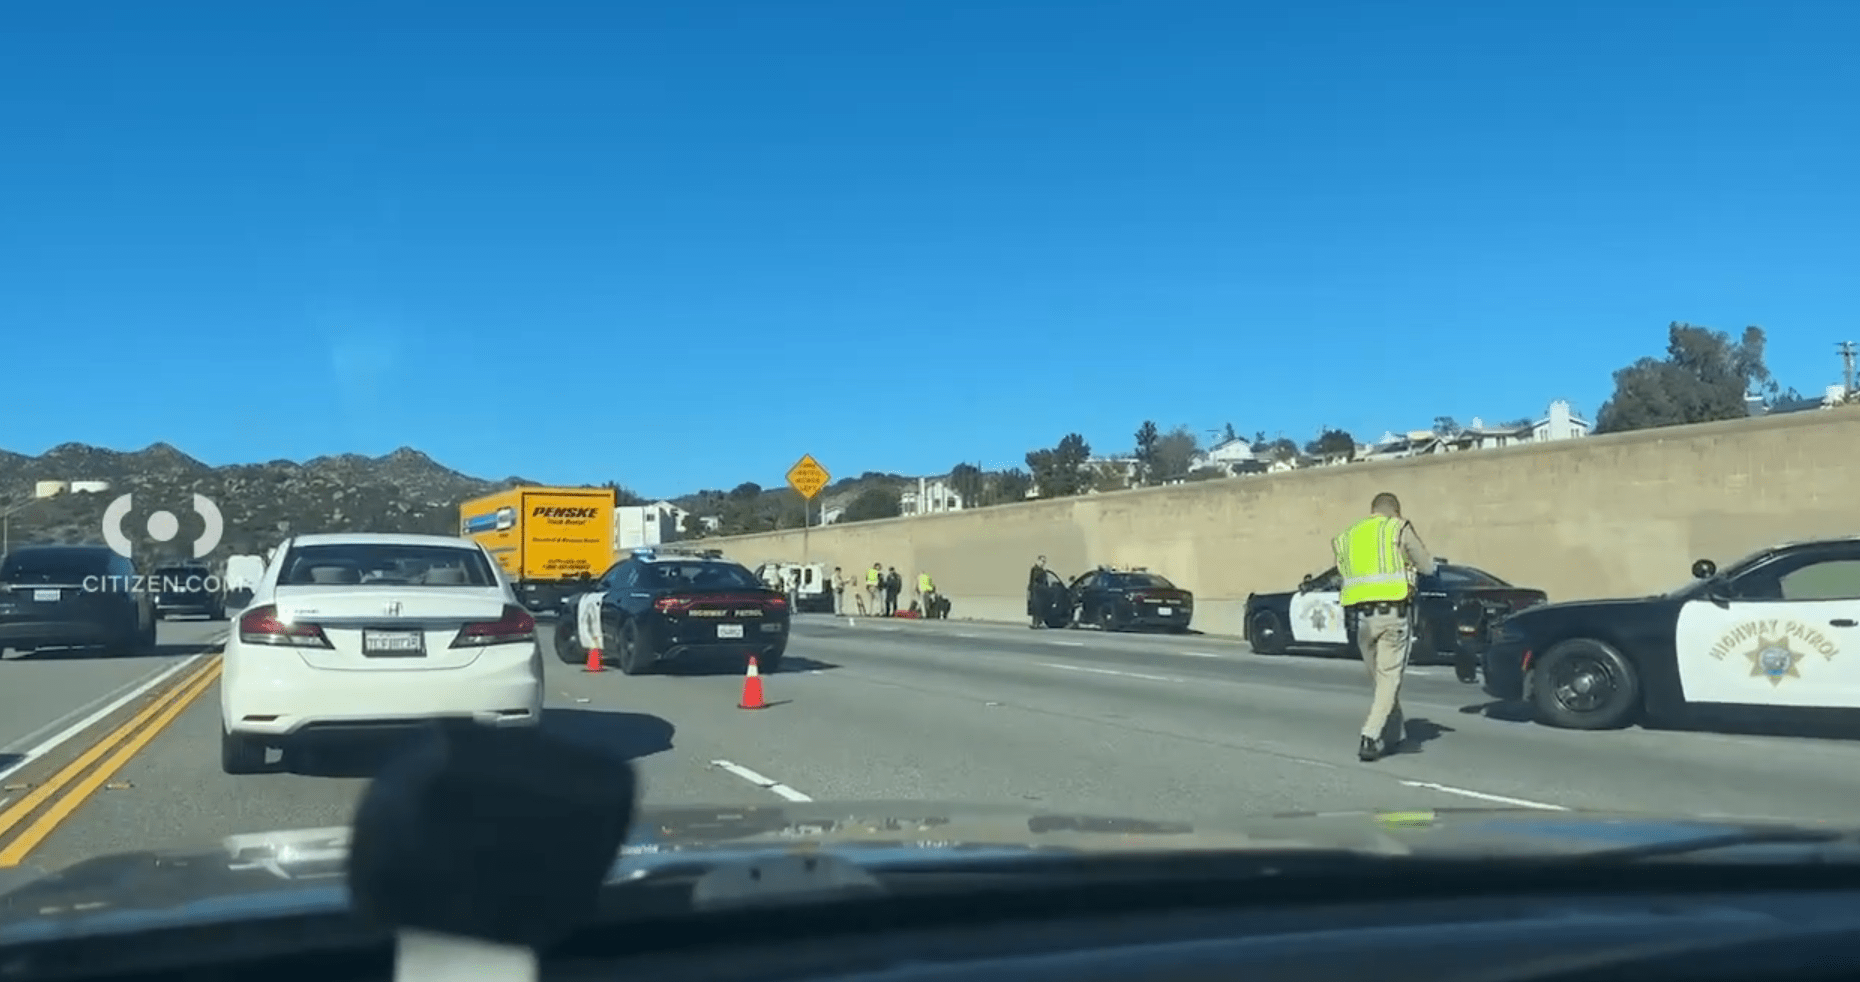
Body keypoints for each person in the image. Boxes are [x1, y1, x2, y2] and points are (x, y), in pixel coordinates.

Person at [1332, 491, 1437, 762]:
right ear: (1395, 511)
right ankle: (1370, 735)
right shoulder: (1397, 528)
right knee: (1389, 680)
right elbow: (1427, 566)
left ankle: (1393, 736)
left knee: (1382, 683)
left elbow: (1342, 572)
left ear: (1373, 509)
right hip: (1393, 617)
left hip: (1361, 621)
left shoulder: (1348, 535)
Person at [1027, 555, 1049, 628]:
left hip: (1041, 591)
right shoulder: (1036, 570)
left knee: (1039, 607)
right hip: (1036, 591)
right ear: (1038, 561)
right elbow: (1033, 580)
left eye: (1044, 561)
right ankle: (1035, 623)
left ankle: (1038, 623)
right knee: (1036, 606)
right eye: (1042, 561)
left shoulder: (1041, 570)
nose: (1043, 563)